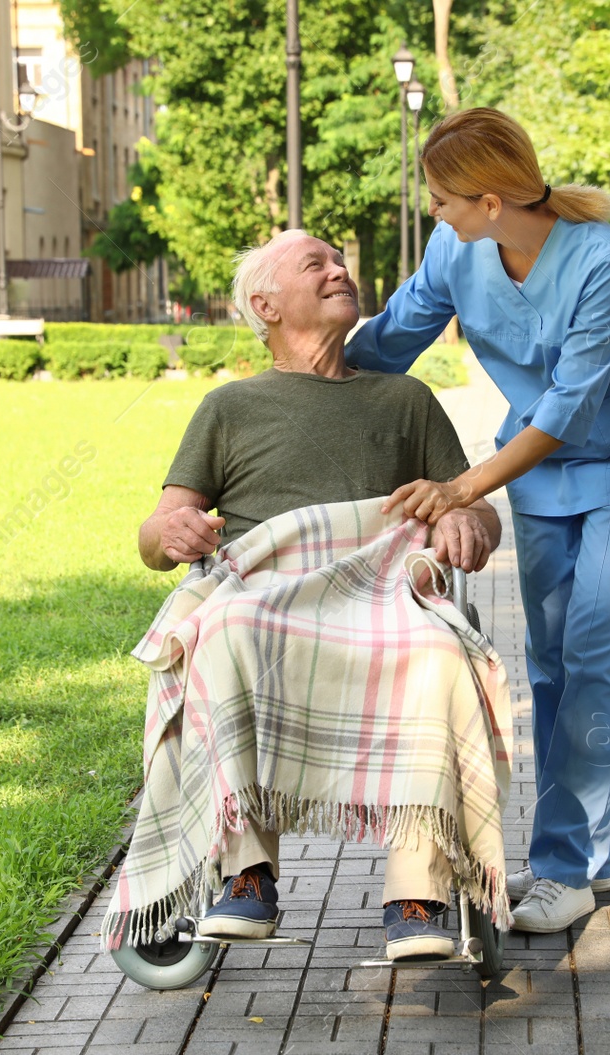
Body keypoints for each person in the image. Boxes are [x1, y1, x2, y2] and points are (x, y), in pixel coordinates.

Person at [346, 107, 610, 934]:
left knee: (595, 651)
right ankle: (590, 857)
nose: (434, 211)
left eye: (443, 199)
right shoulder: (455, 249)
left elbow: (568, 409)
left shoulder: (600, 262)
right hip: (541, 479)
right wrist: (313, 368)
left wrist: (464, 487)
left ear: (493, 199)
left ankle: (565, 868)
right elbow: (394, 337)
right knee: (549, 664)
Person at [136, 229, 503, 960]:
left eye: (341, 260)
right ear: (265, 305)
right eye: (318, 264)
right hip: (267, 593)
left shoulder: (404, 399)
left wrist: (466, 519)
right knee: (225, 627)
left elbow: (476, 505)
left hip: (381, 591)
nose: (341, 269)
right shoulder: (230, 407)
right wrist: (170, 531)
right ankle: (245, 875)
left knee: (434, 649)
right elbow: (155, 531)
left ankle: (420, 887)